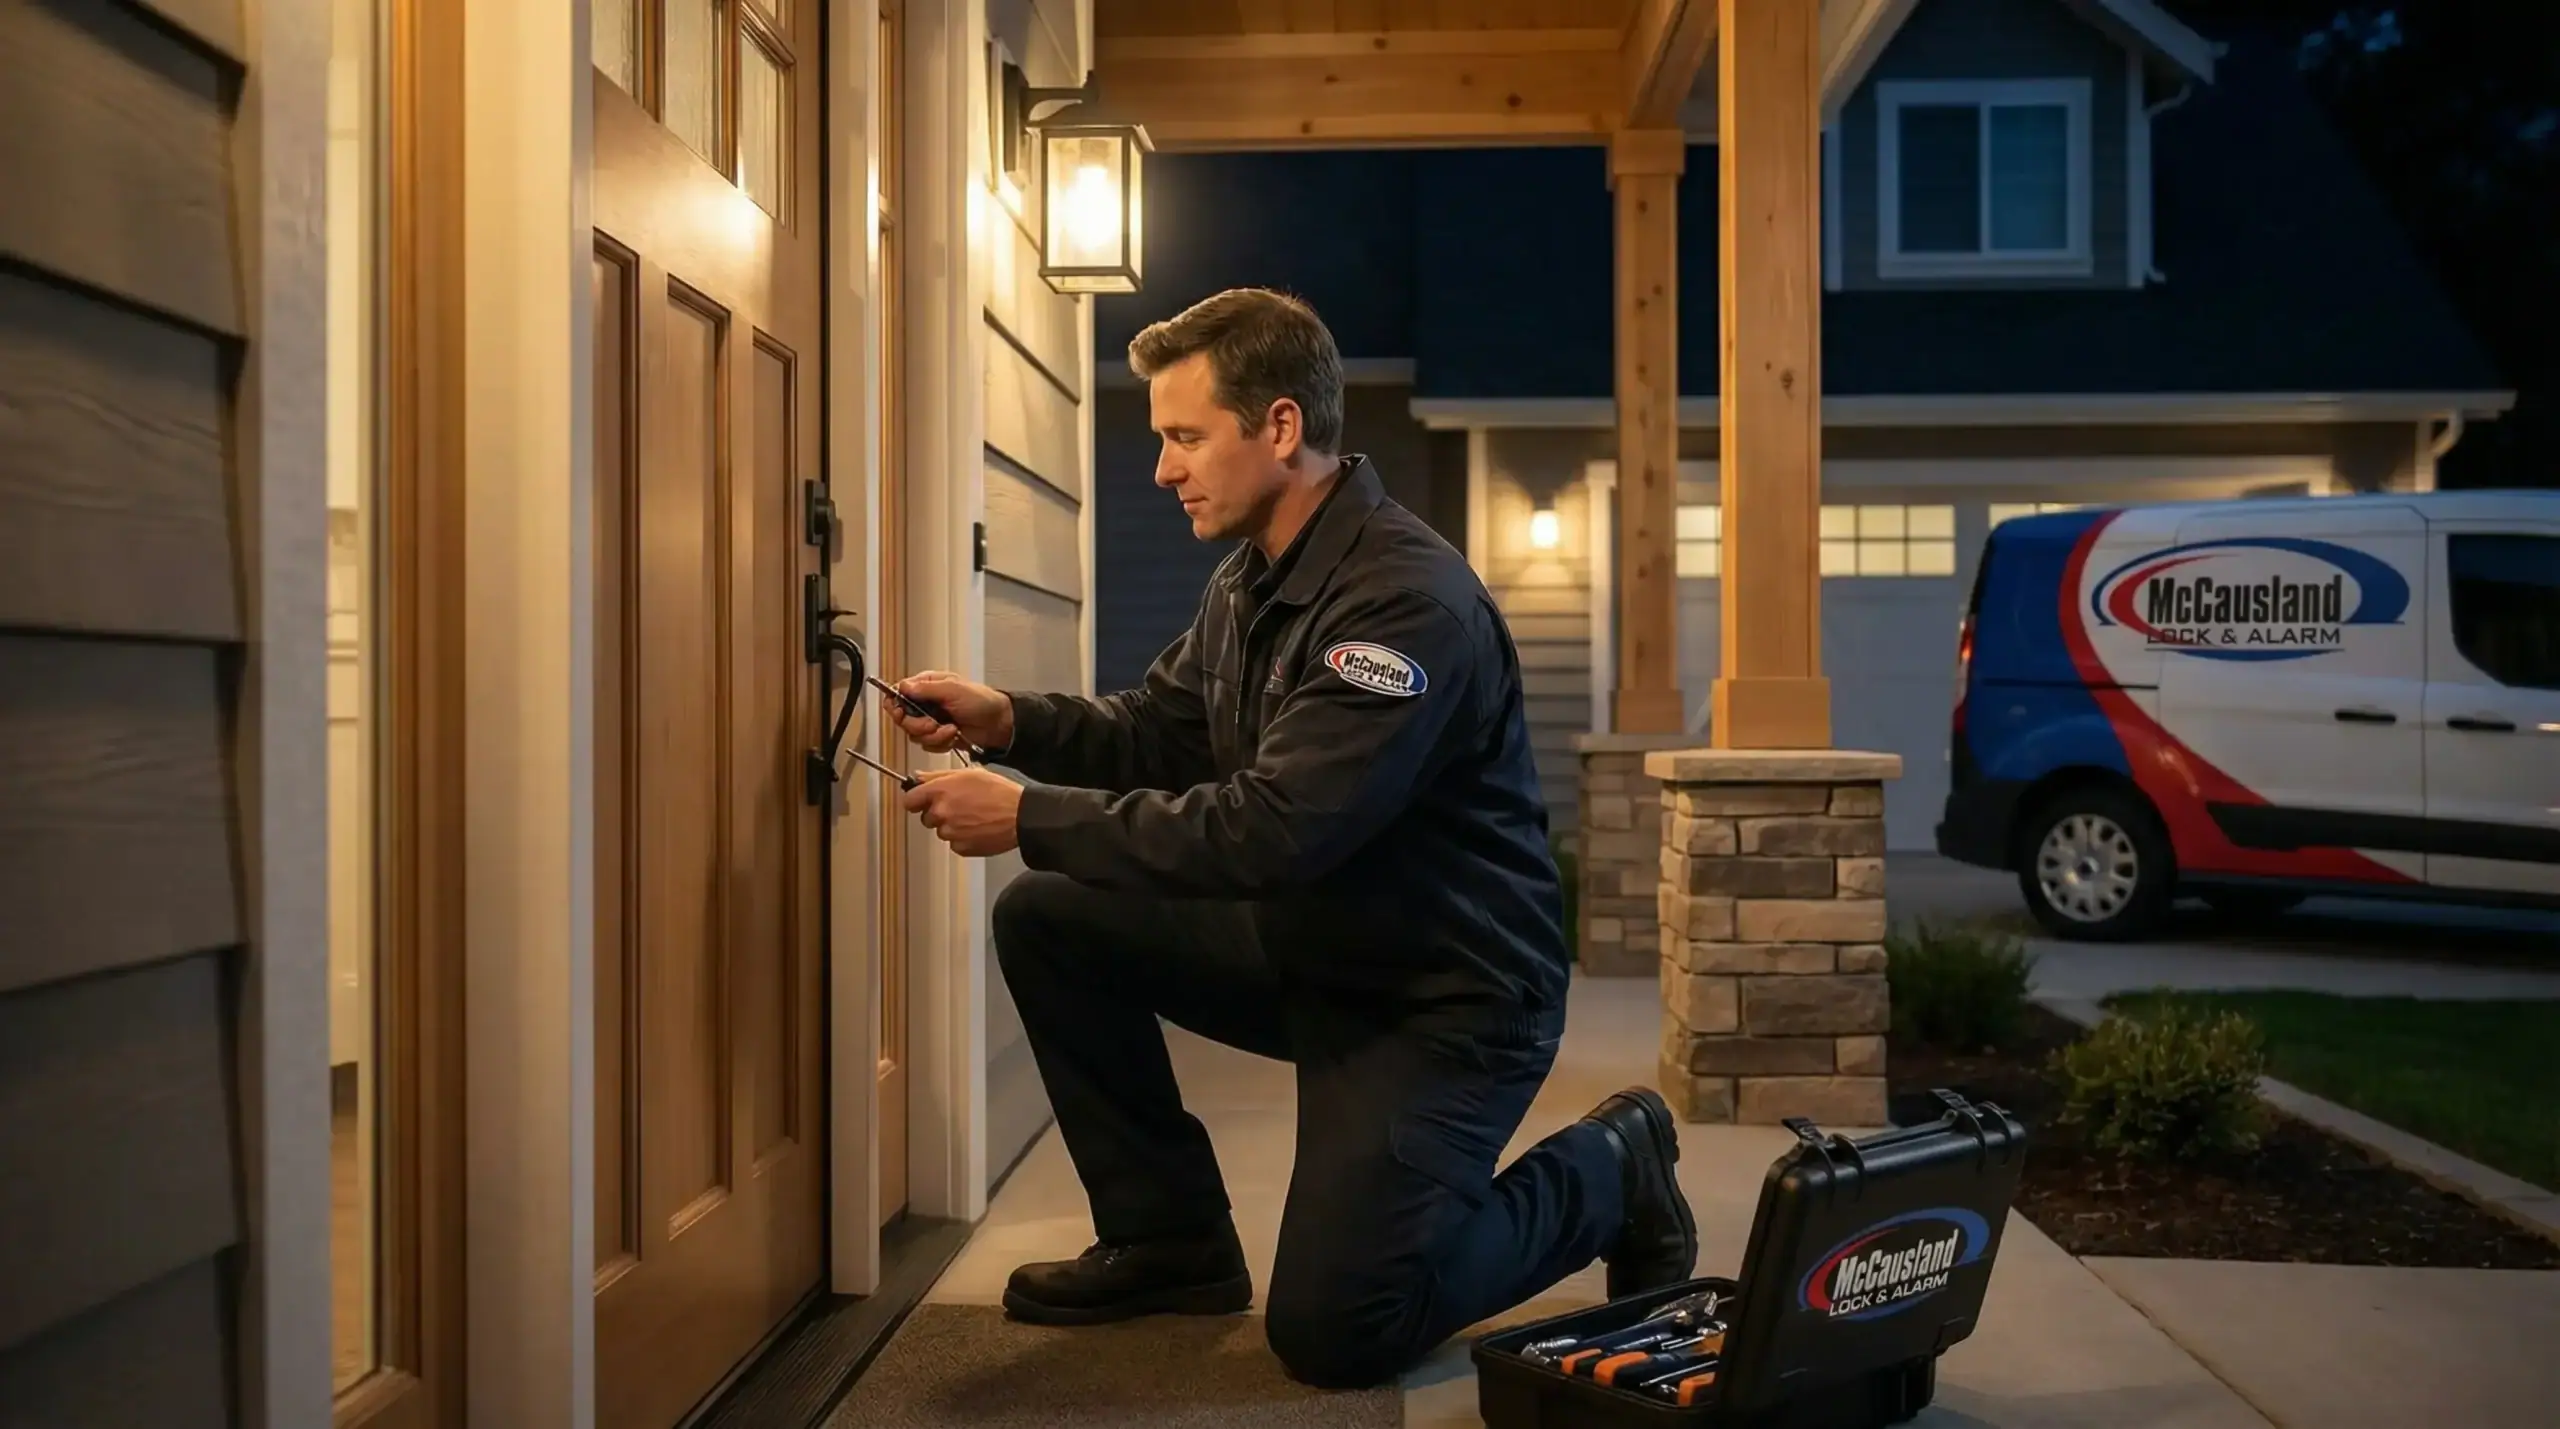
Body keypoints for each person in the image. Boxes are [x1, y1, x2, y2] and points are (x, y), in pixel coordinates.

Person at [888, 288, 1696, 1390]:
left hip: (1443, 996)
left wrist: (1028, 814)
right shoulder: (1251, 582)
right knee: (1052, 916)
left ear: (1278, 427)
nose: (1165, 468)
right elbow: (1158, 728)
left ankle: (1613, 1168)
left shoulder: (1402, 605)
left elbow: (1275, 828)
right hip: (1315, 949)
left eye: (1184, 436)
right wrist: (1010, 721)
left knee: (1340, 1329)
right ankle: (1169, 1240)